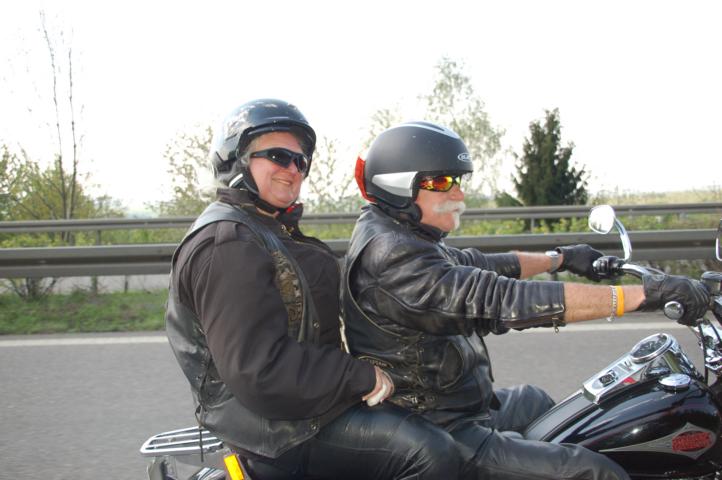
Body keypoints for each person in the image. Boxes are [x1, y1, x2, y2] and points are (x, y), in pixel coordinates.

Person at [342, 120, 711, 480]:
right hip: (439, 426)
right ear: (398, 186)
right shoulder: (391, 255)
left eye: (458, 181)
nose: (458, 194)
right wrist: (642, 295)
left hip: (454, 401)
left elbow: (479, 264)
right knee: (596, 471)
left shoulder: (402, 233)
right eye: (441, 182)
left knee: (540, 404)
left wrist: (561, 258)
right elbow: (500, 299)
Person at [165, 100, 466, 479]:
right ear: (235, 160)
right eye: (278, 156)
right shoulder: (228, 243)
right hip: (271, 427)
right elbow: (259, 370)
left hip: (300, 401)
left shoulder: (268, 229)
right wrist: (358, 376)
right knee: (431, 452)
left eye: (300, 161)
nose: (293, 169)